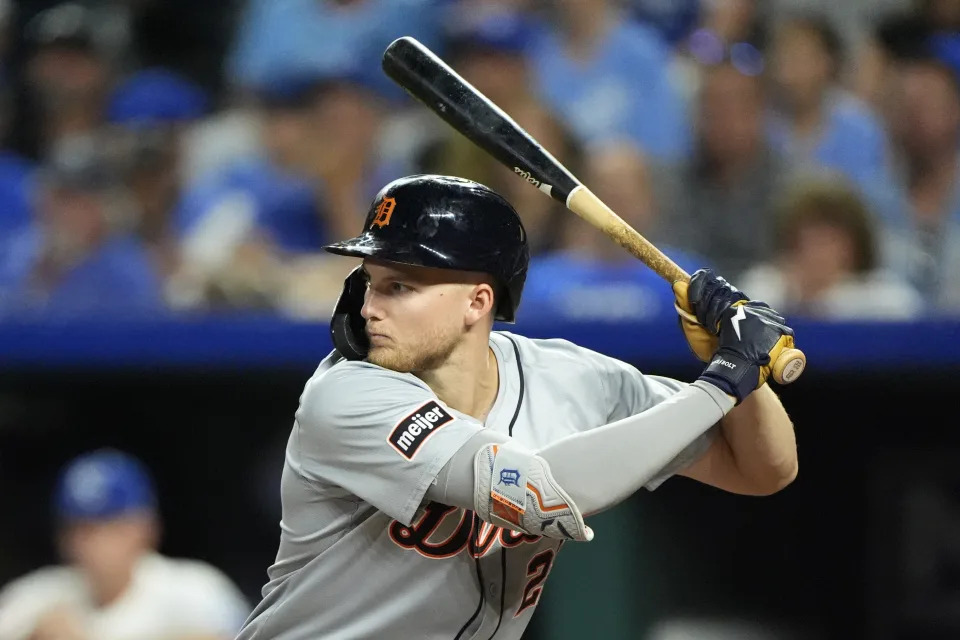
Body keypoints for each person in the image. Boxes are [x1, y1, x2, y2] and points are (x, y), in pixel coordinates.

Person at [237, 174, 800, 638]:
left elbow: (762, 469)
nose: (369, 309)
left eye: (399, 287)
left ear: (477, 301)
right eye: (369, 283)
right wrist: (723, 382)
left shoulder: (572, 378)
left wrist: (745, 372)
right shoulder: (346, 394)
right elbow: (538, 495)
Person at [0, 448, 250, 640]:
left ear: (146, 528)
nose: (91, 542)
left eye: (108, 526)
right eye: (80, 528)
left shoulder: (196, 590)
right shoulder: (37, 596)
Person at [738, 175, 924, 319]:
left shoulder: (882, 295)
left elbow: (909, 313)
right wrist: (795, 295)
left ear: (856, 246)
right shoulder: (765, 285)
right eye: (810, 239)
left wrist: (823, 300)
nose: (819, 252)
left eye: (831, 239)